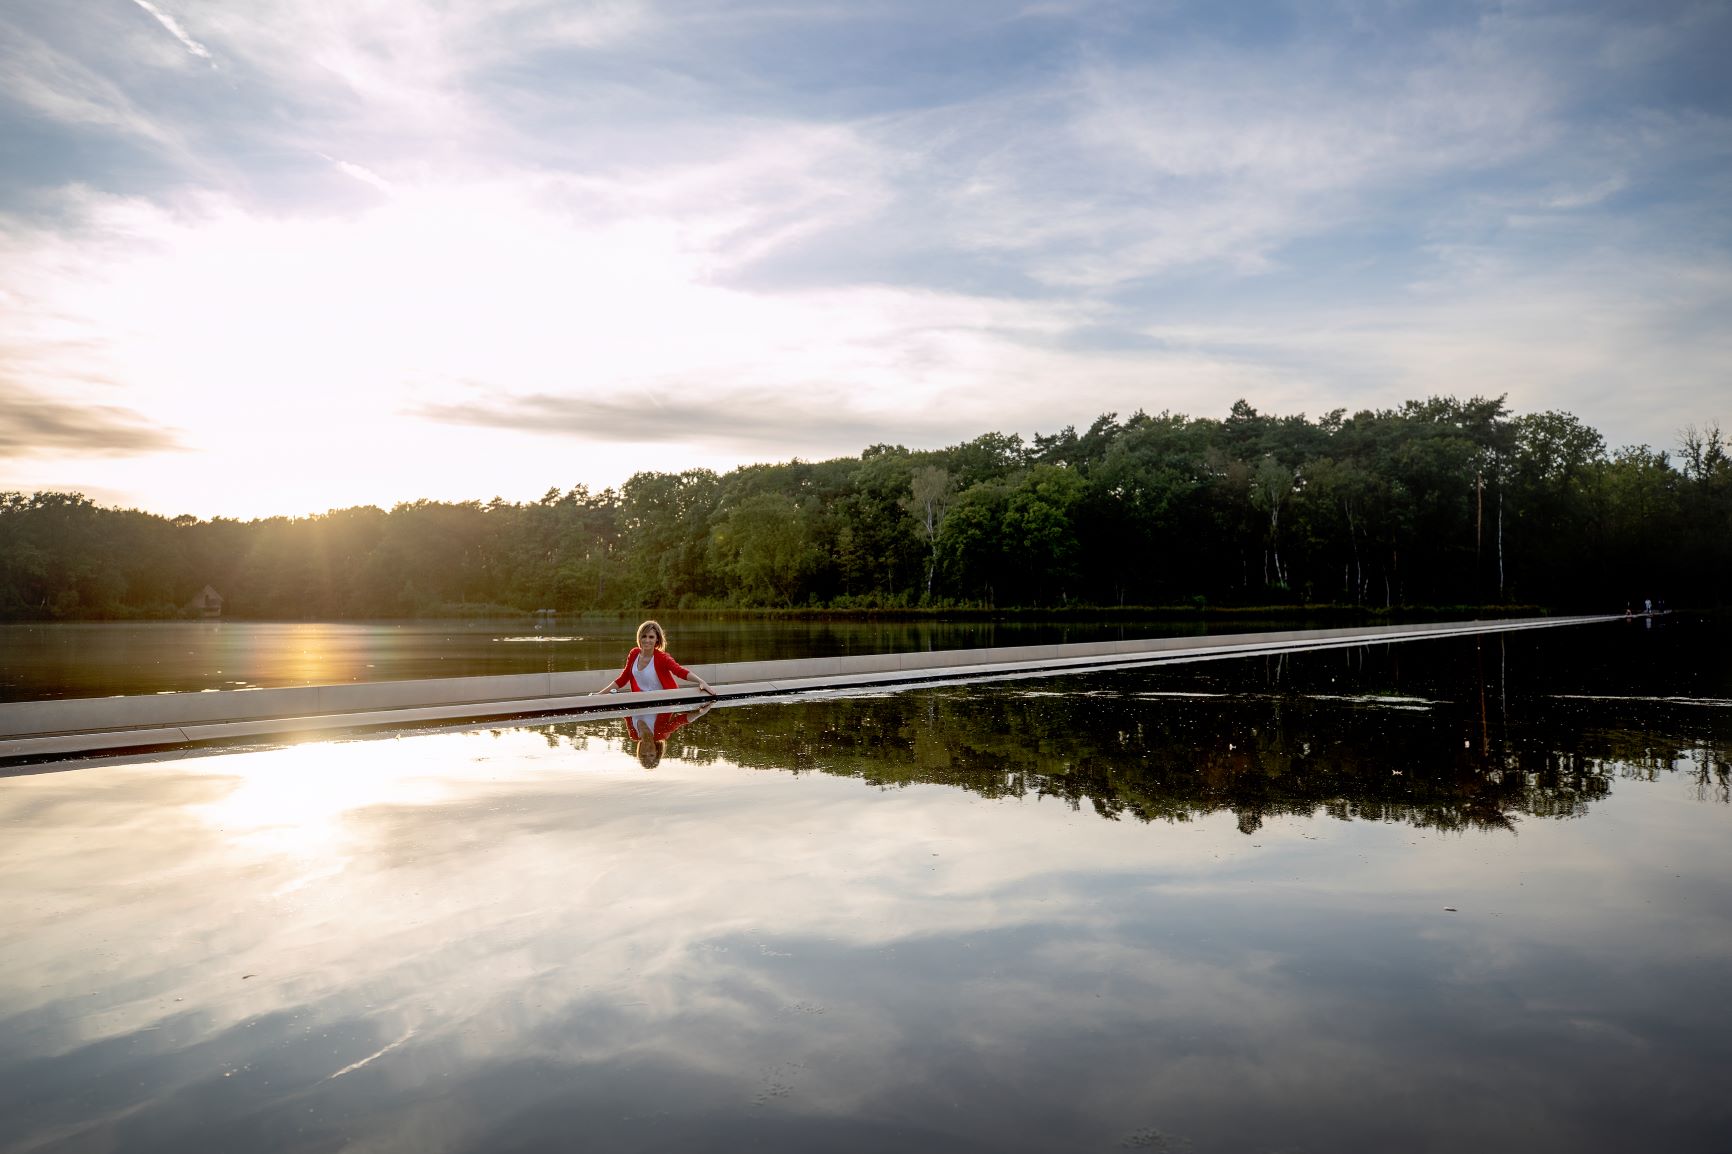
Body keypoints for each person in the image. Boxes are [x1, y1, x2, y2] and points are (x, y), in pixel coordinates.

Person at [594, 620, 716, 697]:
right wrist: (599, 695)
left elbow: (679, 671)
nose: (647, 640)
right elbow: (623, 679)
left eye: (651, 637)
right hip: (641, 701)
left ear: (657, 639)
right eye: (644, 636)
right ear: (639, 637)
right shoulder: (634, 653)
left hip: (664, 701)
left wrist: (701, 682)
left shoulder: (662, 658)